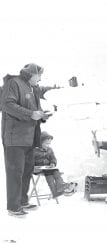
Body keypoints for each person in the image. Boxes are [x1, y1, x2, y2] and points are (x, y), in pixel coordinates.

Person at [1, 63, 52, 217]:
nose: (40, 79)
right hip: (15, 137)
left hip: (29, 138)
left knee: (26, 171)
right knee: (15, 172)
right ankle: (13, 207)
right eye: (39, 76)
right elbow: (7, 105)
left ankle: (22, 201)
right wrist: (31, 114)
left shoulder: (32, 88)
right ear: (31, 74)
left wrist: (42, 115)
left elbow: (35, 110)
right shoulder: (14, 83)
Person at [33, 131, 77, 198]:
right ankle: (62, 187)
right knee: (50, 172)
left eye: (49, 143)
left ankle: (58, 189)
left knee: (55, 170)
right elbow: (30, 161)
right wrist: (35, 166)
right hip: (36, 169)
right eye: (46, 143)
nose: (48, 145)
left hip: (47, 169)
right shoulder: (35, 150)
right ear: (40, 142)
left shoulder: (49, 150)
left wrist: (52, 163)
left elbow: (53, 158)